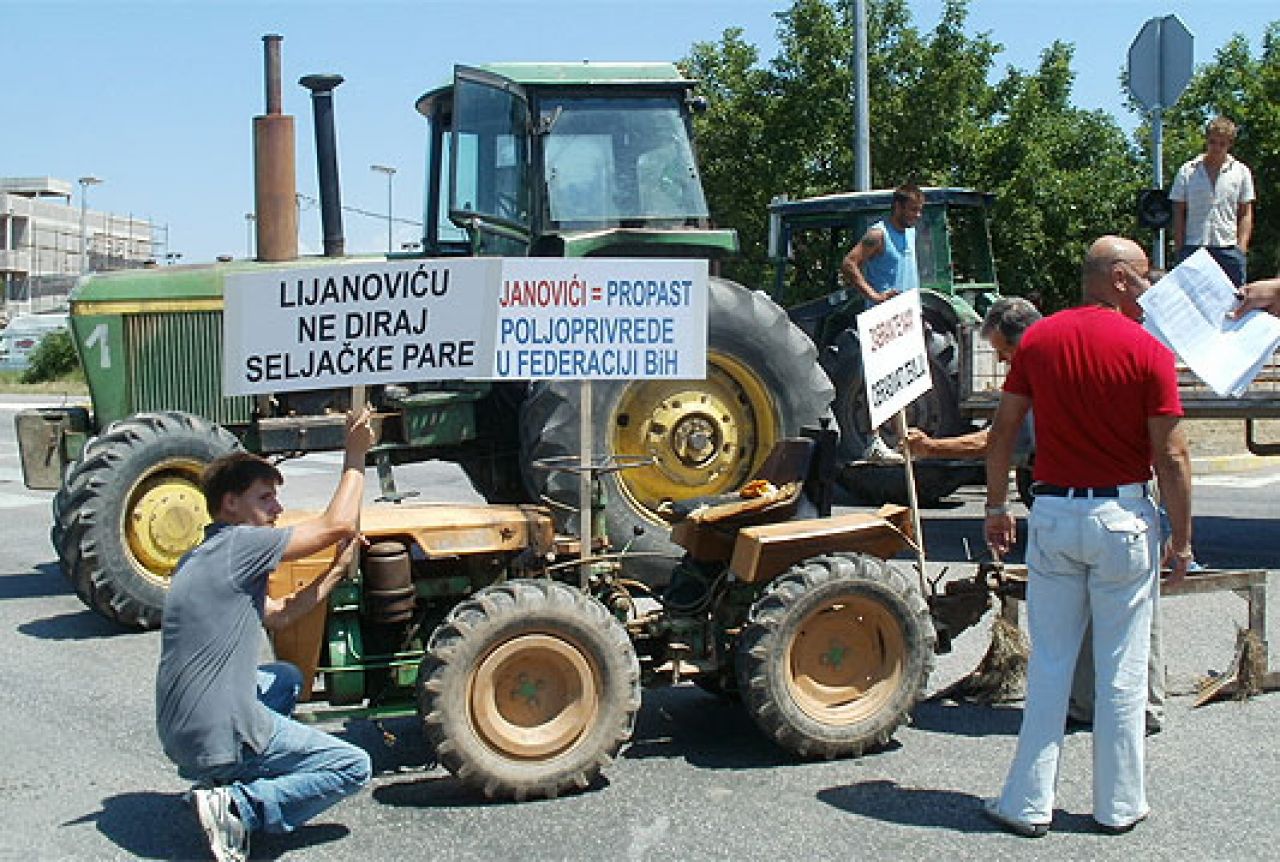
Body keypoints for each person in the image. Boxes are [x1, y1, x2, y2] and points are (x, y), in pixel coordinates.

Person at [982, 236, 1192, 838]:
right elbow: (1172, 455)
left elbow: (1002, 435)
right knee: (1122, 668)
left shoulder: (1040, 340)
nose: (1150, 287)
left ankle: (1027, 801)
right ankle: (1119, 804)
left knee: (1050, 663)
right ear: (1121, 278)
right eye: (1145, 276)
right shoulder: (1148, 349)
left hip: (1053, 514)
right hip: (1124, 518)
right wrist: (1183, 540)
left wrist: (996, 505)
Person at [910, 295, 1168, 734]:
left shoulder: (1044, 361)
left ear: (1020, 339)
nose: (1006, 363)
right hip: (1122, 497)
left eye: (1004, 353)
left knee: (1107, 611)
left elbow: (1004, 438)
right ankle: (1111, 704)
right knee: (1125, 609)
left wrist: (934, 449)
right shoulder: (1082, 349)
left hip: (1093, 498)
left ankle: (1127, 706)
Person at [156, 407, 377, 862]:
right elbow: (335, 524)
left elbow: (277, 615)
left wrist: (334, 574)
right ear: (230, 504)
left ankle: (218, 780)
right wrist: (355, 456)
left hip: (180, 732)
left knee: (285, 678)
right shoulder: (241, 544)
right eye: (265, 499)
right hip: (218, 732)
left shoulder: (201, 555)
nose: (277, 509)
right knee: (353, 765)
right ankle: (239, 805)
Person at [839, 182, 925, 464]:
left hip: (905, 316)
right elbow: (850, 263)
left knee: (901, 380)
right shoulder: (878, 234)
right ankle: (873, 441)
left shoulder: (909, 234)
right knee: (879, 379)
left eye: (919, 210)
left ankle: (902, 441)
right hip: (882, 319)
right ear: (898, 206)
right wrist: (874, 295)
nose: (917, 215)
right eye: (912, 209)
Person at [906, 296, 1042, 459]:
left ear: (1025, 341)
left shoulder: (1045, 374)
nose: (1000, 359)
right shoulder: (1026, 372)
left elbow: (998, 439)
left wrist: (930, 447)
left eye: (1004, 350)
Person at [1169, 116, 1255, 287]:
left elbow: (1245, 212)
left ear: (1230, 144)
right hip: (1194, 246)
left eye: (1222, 143)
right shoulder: (1188, 171)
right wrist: (1180, 247)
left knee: (1234, 302)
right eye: (1212, 142)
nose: (1216, 148)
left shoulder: (1241, 171)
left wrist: (1241, 248)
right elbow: (1178, 211)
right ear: (1206, 141)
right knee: (1191, 302)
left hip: (1228, 248)